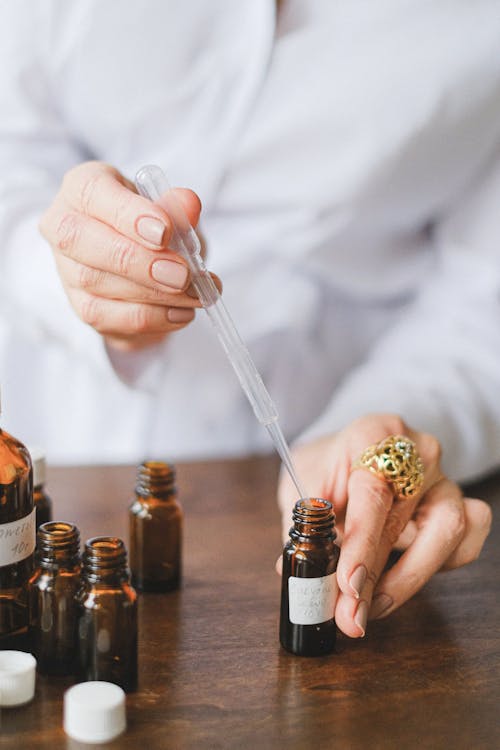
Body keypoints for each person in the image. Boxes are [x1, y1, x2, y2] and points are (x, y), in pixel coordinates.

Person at [0, 1, 496, 638]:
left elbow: (480, 310)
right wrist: (68, 274)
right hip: (66, 435)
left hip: (305, 453)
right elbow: (10, 155)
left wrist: (380, 427)